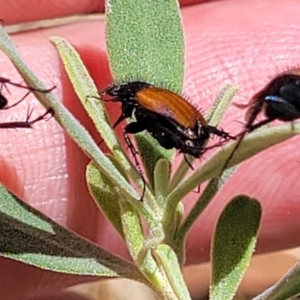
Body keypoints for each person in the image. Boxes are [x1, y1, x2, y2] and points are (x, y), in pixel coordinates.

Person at [2, 0, 300, 299]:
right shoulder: (148, 97)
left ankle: (227, 141)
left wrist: (117, 146)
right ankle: (226, 140)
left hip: (185, 130)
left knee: (142, 130)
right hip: (189, 129)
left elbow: (138, 125)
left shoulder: (142, 97)